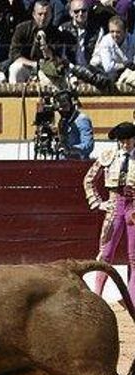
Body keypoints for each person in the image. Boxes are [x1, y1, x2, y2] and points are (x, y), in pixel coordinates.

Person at [83, 121, 135, 304]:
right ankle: (97, 295)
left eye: (128, 140)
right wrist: (97, 203)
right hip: (114, 205)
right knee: (105, 253)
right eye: (122, 141)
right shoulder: (109, 156)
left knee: (134, 256)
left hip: (134, 209)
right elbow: (89, 179)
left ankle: (131, 298)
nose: (125, 144)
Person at [8, 0, 63, 83]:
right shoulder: (22, 29)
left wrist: (48, 51)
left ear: (51, 15)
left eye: (46, 14)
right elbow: (14, 54)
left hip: (46, 69)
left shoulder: (57, 33)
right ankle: (15, 95)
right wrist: (33, 64)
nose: (43, 18)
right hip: (26, 66)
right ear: (34, 14)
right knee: (15, 69)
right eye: (40, 14)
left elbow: (58, 58)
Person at [55, 90, 94, 160]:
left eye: (64, 106)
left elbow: (88, 145)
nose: (61, 110)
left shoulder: (82, 119)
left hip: (79, 163)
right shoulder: (63, 121)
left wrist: (71, 149)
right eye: (59, 107)